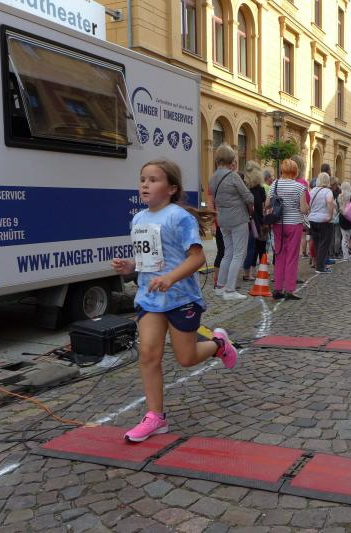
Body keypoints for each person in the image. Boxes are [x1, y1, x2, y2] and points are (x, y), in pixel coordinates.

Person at [112, 160, 238, 443]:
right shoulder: (138, 219)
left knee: (186, 358)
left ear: (171, 189)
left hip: (181, 298)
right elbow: (148, 261)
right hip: (150, 298)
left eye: (153, 180)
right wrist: (130, 266)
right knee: (148, 354)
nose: (145, 184)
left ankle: (219, 344)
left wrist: (170, 278)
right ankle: (155, 417)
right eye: (142, 179)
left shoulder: (179, 218)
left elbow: (197, 258)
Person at [210, 145, 253, 300]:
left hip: (222, 220)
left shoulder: (213, 177)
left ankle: (220, 286)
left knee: (227, 253)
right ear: (231, 159)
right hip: (238, 218)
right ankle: (230, 290)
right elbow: (249, 197)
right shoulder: (233, 176)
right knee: (238, 254)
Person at [268, 159, 310, 300]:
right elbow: (303, 209)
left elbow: (267, 204)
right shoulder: (299, 187)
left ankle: (278, 288)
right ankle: (289, 289)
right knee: (292, 256)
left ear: (282, 170)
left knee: (279, 255)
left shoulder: (275, 184)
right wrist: (307, 208)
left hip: (278, 224)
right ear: (295, 171)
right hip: (294, 224)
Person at [241, 161, 267, 281]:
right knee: (253, 247)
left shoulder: (244, 188)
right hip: (254, 221)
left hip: (246, 220)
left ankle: (249, 271)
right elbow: (262, 208)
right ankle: (249, 272)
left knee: (251, 247)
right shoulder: (259, 189)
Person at [308, 173, 335, 274]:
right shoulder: (327, 191)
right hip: (324, 220)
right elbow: (330, 202)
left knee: (316, 243)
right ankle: (320, 267)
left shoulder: (312, 191)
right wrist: (330, 216)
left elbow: (308, 203)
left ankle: (317, 265)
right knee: (324, 244)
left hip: (312, 219)